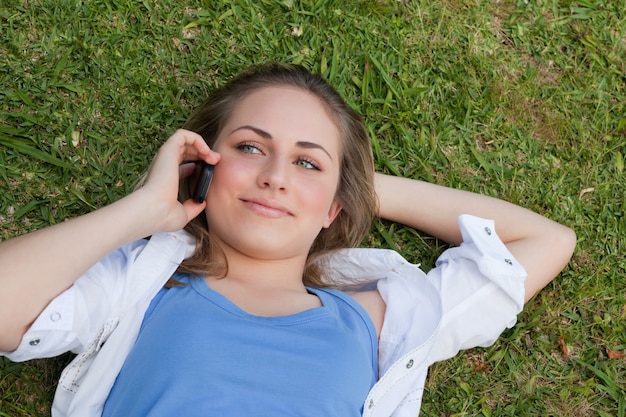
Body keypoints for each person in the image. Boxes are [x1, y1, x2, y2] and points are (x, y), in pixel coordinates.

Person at [0, 63, 576, 417]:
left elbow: (544, 240)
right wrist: (142, 210)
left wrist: (347, 186)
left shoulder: (379, 318)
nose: (275, 175)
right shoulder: (140, 288)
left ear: (336, 207)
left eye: (305, 162)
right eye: (251, 148)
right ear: (202, 161)